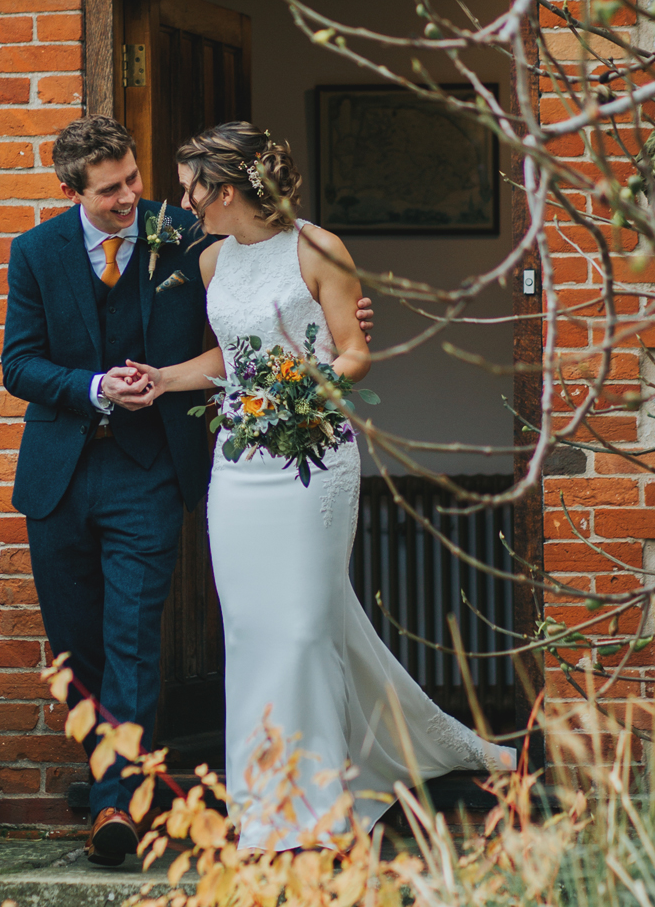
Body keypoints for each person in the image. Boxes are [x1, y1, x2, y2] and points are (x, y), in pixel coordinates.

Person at [118, 121, 515, 850]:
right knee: (255, 633)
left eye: (190, 189)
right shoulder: (209, 262)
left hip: (310, 460)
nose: (183, 202)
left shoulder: (318, 247)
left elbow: (356, 353)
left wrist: (301, 389)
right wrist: (163, 380)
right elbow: (228, 359)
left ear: (225, 190)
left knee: (302, 631)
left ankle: (316, 811)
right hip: (238, 470)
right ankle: (265, 811)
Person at [0, 116, 377, 865]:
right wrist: (95, 385)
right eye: (111, 190)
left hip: (151, 469)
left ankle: (119, 807)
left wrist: (341, 318)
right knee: (77, 649)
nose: (132, 199)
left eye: (135, 180)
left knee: (134, 640)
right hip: (60, 476)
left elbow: (273, 290)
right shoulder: (34, 252)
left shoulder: (185, 229)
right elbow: (18, 365)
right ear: (71, 189)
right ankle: (117, 784)